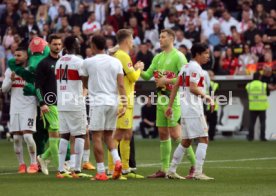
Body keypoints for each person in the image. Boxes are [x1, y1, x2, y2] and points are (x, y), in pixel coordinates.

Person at [140, 29, 196, 179]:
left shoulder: (179, 56)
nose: (160, 39)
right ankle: (164, 169)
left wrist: (167, 81)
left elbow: (185, 79)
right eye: (160, 37)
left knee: (177, 135)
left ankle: (195, 166)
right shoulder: (158, 57)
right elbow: (146, 76)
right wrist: (137, 69)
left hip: (175, 99)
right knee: (163, 134)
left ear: (172, 38)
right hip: (161, 100)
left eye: (163, 37)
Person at [165, 43, 215, 180]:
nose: (208, 57)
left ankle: (171, 170)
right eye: (205, 53)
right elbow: (192, 87)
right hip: (193, 108)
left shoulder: (185, 67)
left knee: (186, 142)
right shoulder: (195, 67)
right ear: (197, 54)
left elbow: (175, 86)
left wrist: (169, 106)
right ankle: (198, 173)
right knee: (204, 138)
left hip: (185, 108)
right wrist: (207, 97)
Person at [82, 35, 126, 181]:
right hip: (113, 102)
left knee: (96, 136)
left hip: (98, 102)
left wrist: (91, 87)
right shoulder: (116, 62)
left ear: (93, 46)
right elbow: (121, 84)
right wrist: (124, 103)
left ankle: (101, 172)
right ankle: (117, 161)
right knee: (108, 135)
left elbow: (84, 81)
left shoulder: (88, 62)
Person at [107, 29, 144, 179]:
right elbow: (134, 77)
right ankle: (111, 169)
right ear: (127, 40)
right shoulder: (122, 56)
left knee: (127, 135)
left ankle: (126, 168)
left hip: (125, 99)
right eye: (132, 39)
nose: (133, 42)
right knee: (117, 135)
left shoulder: (117, 55)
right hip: (122, 100)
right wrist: (139, 68)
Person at [55, 36, 91, 178]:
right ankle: (77, 170)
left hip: (62, 102)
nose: (79, 43)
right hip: (75, 102)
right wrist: (87, 90)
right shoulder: (78, 61)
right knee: (80, 133)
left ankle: (61, 169)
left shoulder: (59, 61)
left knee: (64, 134)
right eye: (77, 42)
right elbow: (85, 80)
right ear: (73, 45)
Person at [1, 47, 38, 174]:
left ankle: (34, 163)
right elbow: (4, 89)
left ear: (26, 57)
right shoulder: (9, 71)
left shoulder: (31, 70)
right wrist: (11, 80)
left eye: (19, 55)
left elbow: (38, 88)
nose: (16, 58)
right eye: (15, 55)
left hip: (29, 106)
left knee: (27, 136)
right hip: (15, 107)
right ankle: (21, 164)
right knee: (16, 138)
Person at [36, 34, 62, 175]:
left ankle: (43, 157)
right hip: (50, 104)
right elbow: (38, 86)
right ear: (49, 46)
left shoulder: (63, 62)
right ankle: (60, 169)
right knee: (55, 134)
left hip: (63, 103)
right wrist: (42, 103)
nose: (57, 47)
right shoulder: (44, 64)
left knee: (61, 136)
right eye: (54, 44)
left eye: (59, 44)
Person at [246, 72, 269, 141]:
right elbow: (268, 93)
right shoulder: (263, 85)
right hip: (262, 107)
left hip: (252, 106)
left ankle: (250, 137)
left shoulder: (248, 85)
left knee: (251, 122)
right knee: (262, 122)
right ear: (259, 77)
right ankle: (262, 137)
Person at [206, 70, 219, 141]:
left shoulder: (202, 84)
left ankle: (203, 137)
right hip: (213, 107)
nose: (214, 77)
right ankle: (211, 137)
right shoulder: (215, 85)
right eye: (212, 75)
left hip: (204, 107)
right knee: (212, 124)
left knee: (204, 123)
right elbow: (217, 96)